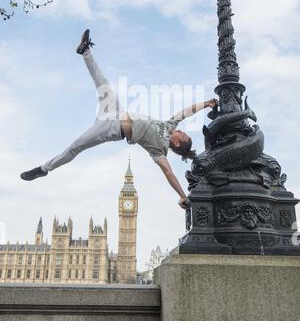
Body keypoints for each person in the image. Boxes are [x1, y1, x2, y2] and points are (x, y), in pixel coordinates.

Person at [20, 30, 218, 209]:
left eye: (182, 135)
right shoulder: (169, 125)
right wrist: (206, 103)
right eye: (182, 131)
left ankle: (44, 169)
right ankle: (85, 50)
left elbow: (168, 174)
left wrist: (182, 195)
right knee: (103, 82)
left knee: (75, 147)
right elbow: (186, 111)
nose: (181, 131)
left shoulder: (159, 151)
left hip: (110, 129)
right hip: (117, 111)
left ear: (177, 142)